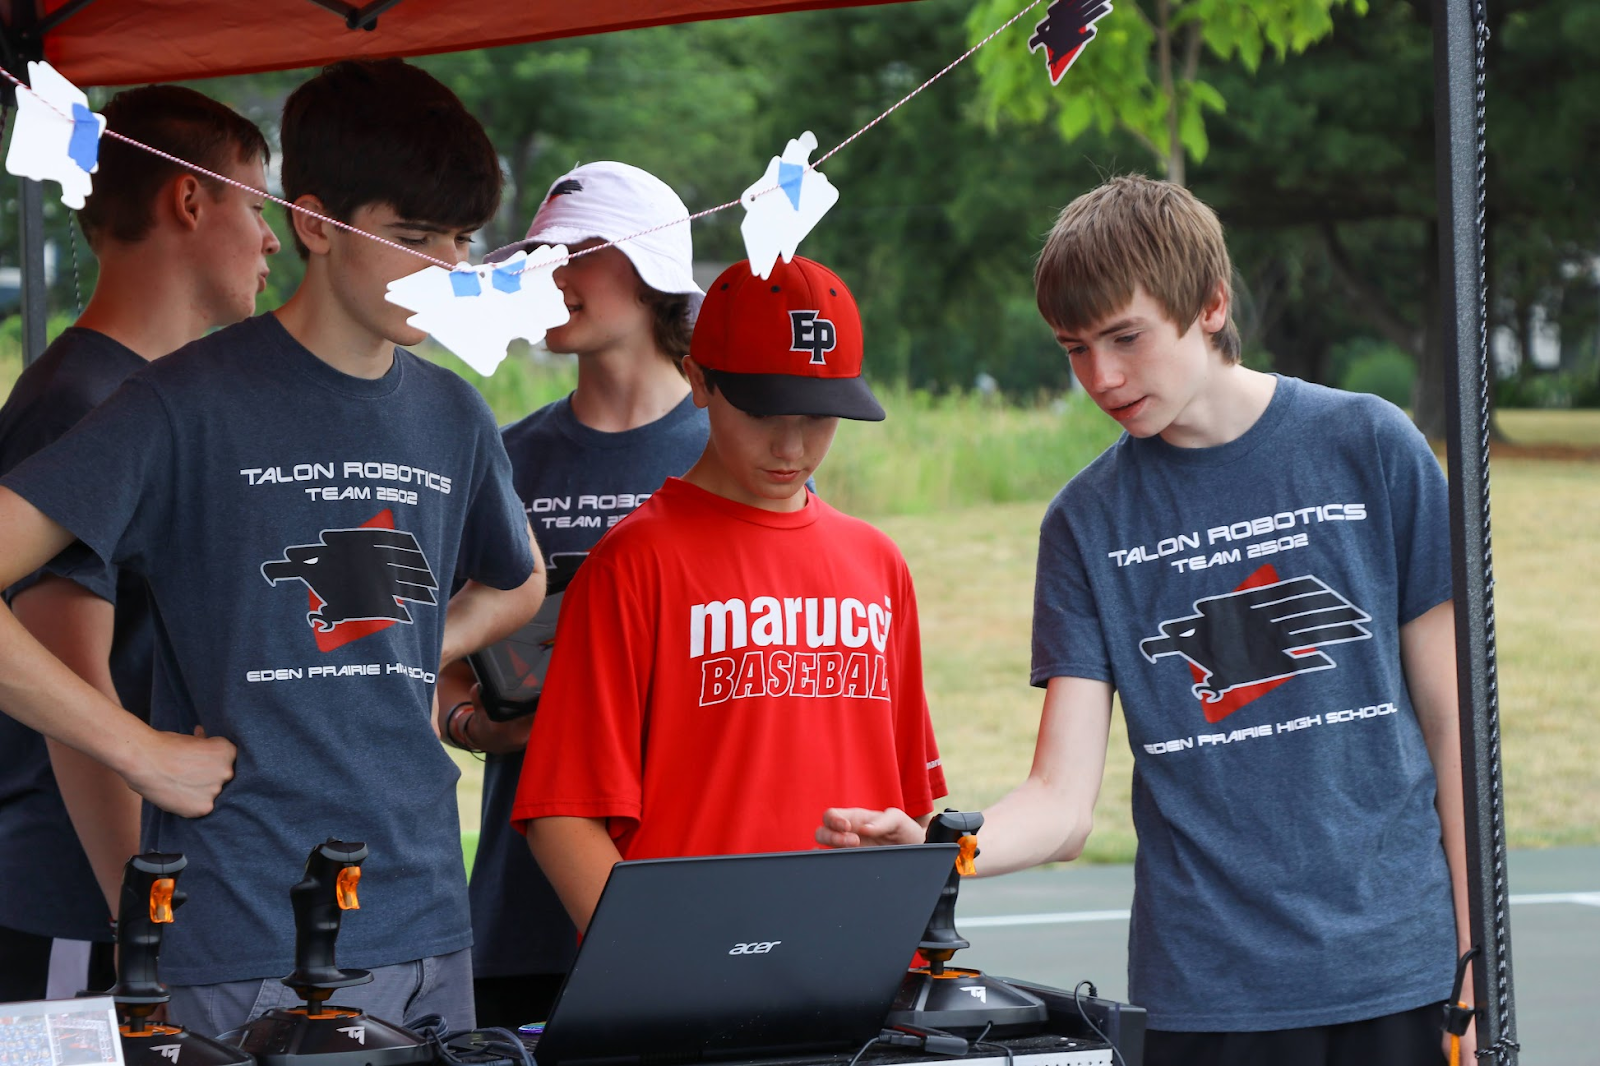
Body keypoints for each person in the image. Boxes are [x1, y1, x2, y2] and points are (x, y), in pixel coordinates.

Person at [818, 175, 1468, 1066]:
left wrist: (1476, 962)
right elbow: (1061, 802)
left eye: (1125, 338)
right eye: (1074, 348)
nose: (1101, 377)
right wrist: (937, 850)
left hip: (1402, 971)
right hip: (1207, 995)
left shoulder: (1371, 445)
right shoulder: (1085, 522)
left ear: (1210, 304)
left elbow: (1456, 726)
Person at [0, 59, 544, 1034]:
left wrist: (419, 652)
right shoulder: (180, 402)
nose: (446, 269)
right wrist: (139, 751)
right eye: (412, 237)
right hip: (244, 928)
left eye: (459, 239)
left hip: (428, 912)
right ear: (315, 223)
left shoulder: (453, 412)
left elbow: (518, 580)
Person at [511, 255, 947, 935]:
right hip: (694, 981)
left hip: (857, 969)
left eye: (820, 416)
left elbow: (914, 806)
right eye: (763, 410)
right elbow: (561, 814)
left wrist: (908, 879)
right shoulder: (633, 562)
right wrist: (664, 972)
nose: (792, 445)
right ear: (699, 381)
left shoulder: (878, 563)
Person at [0, 84, 278, 1003]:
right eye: (260, 205)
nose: (275, 239)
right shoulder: (79, 407)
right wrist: (145, 923)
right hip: (77, 901)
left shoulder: (141, 398)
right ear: (191, 201)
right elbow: (72, 691)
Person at [435, 161, 710, 1027]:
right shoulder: (502, 452)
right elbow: (425, 639)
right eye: (543, 252)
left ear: (653, 268)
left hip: (679, 881)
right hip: (521, 904)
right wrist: (470, 724)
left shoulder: (733, 448)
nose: (552, 274)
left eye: (579, 251)